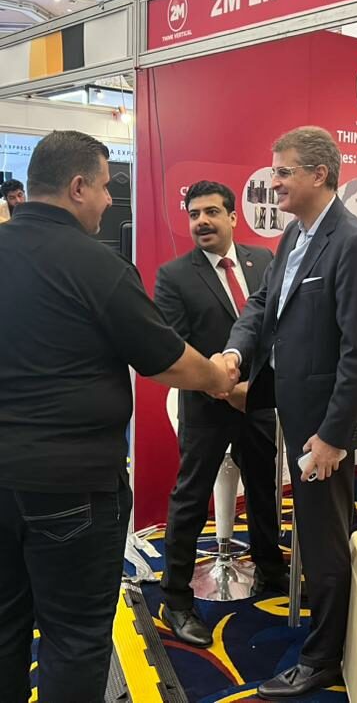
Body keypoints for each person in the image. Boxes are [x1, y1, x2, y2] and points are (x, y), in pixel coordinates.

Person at [0, 131, 237, 703]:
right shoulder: (96, 265)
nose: (111, 201)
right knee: (75, 639)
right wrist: (219, 377)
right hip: (73, 487)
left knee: (5, 625)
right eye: (106, 187)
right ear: (78, 186)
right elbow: (167, 360)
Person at [223, 126, 357, 699]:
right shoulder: (294, 234)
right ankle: (329, 635)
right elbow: (263, 304)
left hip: (324, 425)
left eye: (284, 171)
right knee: (316, 533)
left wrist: (333, 436)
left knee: (323, 538)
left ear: (320, 174)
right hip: (294, 410)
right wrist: (235, 352)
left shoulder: (353, 243)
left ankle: (322, 659)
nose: (274, 182)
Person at [155, 180, 286, 646]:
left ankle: (271, 570)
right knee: (191, 500)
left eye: (211, 212)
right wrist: (226, 390)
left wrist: (257, 390)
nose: (202, 222)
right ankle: (176, 599)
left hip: (259, 401)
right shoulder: (174, 276)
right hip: (206, 405)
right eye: (194, 214)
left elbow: (274, 328)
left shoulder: (263, 261)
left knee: (264, 489)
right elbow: (176, 347)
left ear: (233, 217)